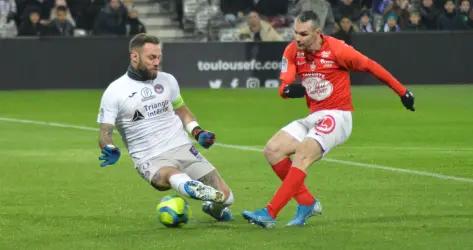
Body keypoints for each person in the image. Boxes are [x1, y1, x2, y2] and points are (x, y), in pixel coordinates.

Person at [242, 11, 415, 228]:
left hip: (338, 115)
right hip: (314, 115)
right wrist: (288, 90)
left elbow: (371, 66)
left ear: (317, 32)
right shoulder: (293, 50)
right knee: (273, 149)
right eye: (295, 32)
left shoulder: (337, 49)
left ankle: (270, 213)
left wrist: (402, 92)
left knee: (303, 153)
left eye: (303, 34)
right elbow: (283, 86)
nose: (297, 38)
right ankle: (306, 202)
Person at [97, 33, 234, 222]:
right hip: (150, 157)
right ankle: (188, 187)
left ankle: (213, 208)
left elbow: (183, 111)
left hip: (182, 148)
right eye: (151, 58)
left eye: (159, 57)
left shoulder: (167, 80)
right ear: (134, 57)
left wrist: (198, 131)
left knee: (227, 198)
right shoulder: (115, 91)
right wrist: (109, 147)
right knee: (169, 177)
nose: (157, 62)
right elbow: (105, 132)